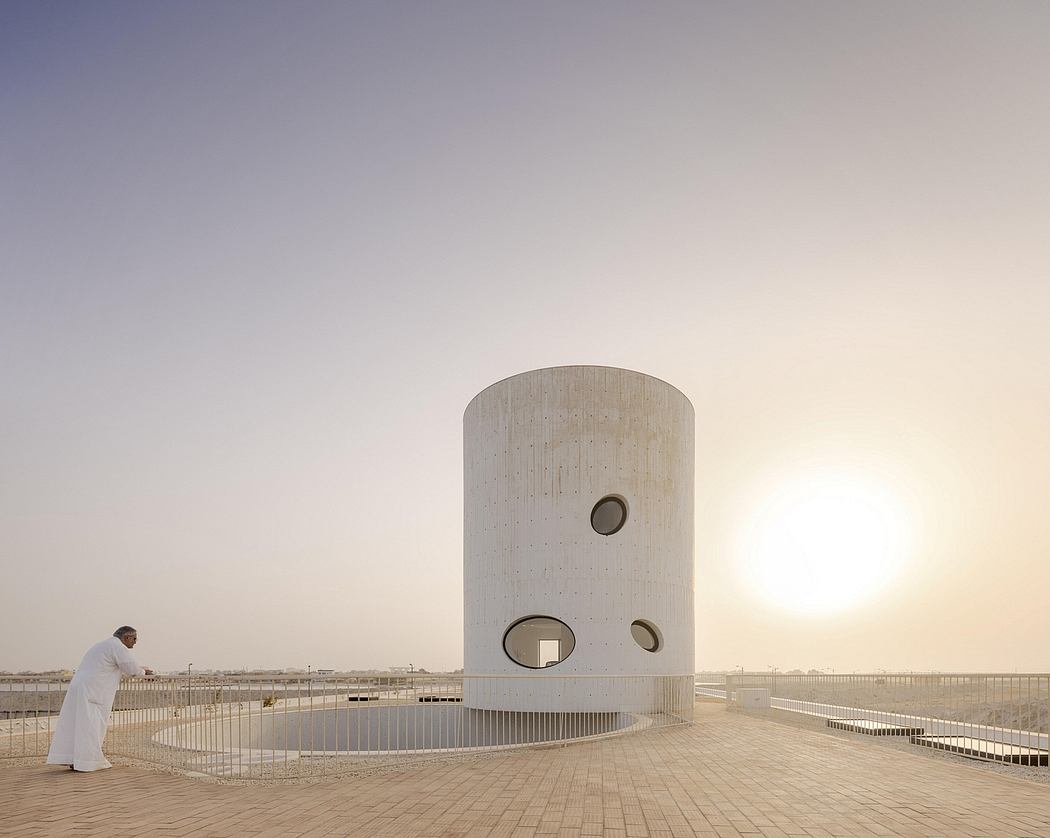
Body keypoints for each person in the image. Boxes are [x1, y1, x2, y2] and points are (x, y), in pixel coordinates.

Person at [46, 626, 154, 772]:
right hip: (93, 691)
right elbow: (131, 669)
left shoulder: (102, 645)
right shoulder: (119, 647)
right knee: (91, 725)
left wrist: (140, 669)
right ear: (127, 637)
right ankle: (87, 762)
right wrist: (145, 673)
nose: (135, 643)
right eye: (134, 639)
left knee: (75, 724)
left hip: (80, 686)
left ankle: (73, 759)